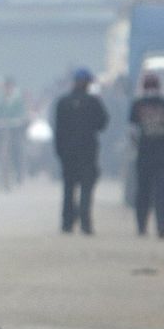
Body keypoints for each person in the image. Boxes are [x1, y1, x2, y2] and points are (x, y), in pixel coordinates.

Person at [51, 67, 109, 235]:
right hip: (88, 152)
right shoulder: (93, 102)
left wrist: (59, 151)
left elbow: (58, 130)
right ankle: (85, 222)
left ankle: (67, 223)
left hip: (68, 153)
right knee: (86, 188)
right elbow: (103, 124)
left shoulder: (63, 102)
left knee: (69, 188)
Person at [128, 74, 164, 238]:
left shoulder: (138, 104)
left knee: (143, 192)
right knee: (161, 194)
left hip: (145, 155)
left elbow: (132, 132)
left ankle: (142, 226)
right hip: (163, 155)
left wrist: (140, 146)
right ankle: (161, 227)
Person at [0, 77, 28, 190]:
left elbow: (22, 112)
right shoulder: (0, 99)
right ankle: (1, 176)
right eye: (6, 86)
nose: (7, 89)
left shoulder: (18, 99)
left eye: (9, 86)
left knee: (17, 149)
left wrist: (19, 119)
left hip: (15, 129)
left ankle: (19, 172)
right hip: (2, 129)